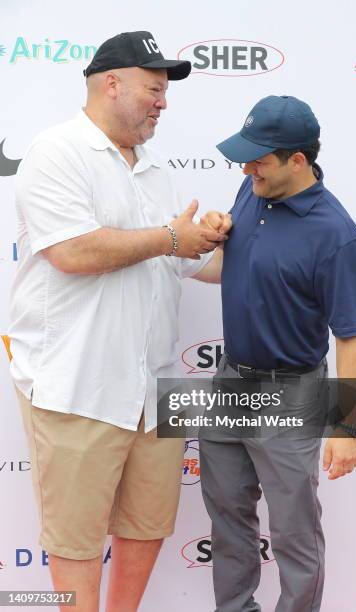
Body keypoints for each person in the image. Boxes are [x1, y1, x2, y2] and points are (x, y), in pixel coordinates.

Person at [8, 31, 227, 612]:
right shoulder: (56, 151)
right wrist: (171, 238)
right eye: (154, 88)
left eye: (164, 92)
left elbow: (196, 260)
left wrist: (258, 241)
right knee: (76, 537)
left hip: (153, 387)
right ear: (112, 83)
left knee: (147, 522)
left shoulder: (154, 169)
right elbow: (75, 253)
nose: (163, 102)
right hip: (78, 383)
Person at [196, 95, 356, 611]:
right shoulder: (251, 192)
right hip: (229, 383)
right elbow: (226, 264)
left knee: (295, 536)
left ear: (299, 160)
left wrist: (344, 428)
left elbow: (351, 337)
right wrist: (203, 240)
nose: (248, 167)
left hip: (290, 392)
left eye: (260, 159)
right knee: (228, 519)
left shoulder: (336, 235)